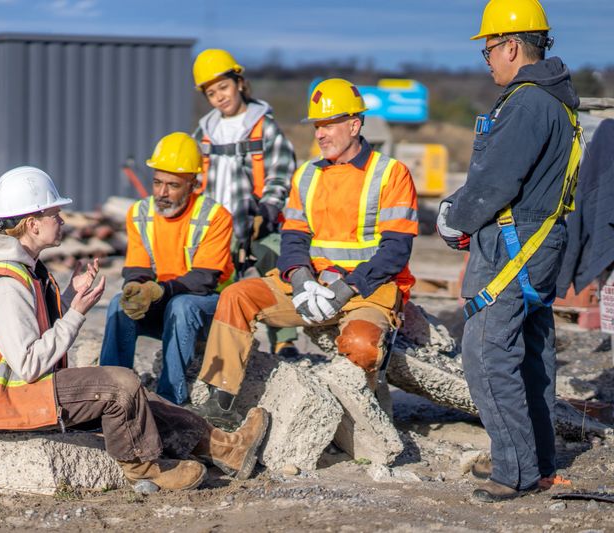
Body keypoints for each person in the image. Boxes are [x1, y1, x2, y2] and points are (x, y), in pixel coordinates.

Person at [0, 165, 268, 491]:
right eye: (55, 214)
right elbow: (30, 364)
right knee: (121, 385)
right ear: (32, 224)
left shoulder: (23, 270)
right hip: (3, 407)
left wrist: (72, 295)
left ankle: (227, 449)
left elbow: (31, 336)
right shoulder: (3, 283)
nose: (62, 220)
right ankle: (142, 468)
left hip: (19, 396)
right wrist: (76, 313)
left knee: (139, 394)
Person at [192, 78, 418, 428]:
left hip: (366, 291)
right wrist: (300, 279)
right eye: (317, 126)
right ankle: (221, 403)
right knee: (237, 297)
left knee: (362, 344)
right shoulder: (307, 175)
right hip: (313, 285)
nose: (320, 134)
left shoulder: (390, 174)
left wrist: (344, 289)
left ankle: (361, 417)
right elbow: (293, 237)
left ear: (354, 125)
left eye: (328, 125)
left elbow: (395, 251)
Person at [436, 0, 581, 503]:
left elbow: (495, 179)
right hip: (537, 243)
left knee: (487, 354)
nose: (488, 59)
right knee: (531, 353)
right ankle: (537, 464)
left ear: (513, 46)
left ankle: (513, 472)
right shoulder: (556, 99)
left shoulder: (525, 102)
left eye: (490, 49)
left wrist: (455, 219)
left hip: (513, 246)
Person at [99, 132, 234, 405]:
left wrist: (158, 290)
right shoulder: (139, 213)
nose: (162, 193)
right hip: (166, 302)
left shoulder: (215, 217)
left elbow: (204, 279)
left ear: (193, 184)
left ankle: (170, 400)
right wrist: (137, 287)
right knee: (118, 304)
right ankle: (110, 394)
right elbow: (137, 266)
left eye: (172, 185)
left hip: (210, 313)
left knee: (182, 305)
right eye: (157, 182)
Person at [192, 48, 300, 358]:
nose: (220, 97)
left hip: (257, 220)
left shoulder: (264, 127)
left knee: (277, 260)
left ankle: (284, 337)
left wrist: (267, 210)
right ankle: (219, 343)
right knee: (216, 277)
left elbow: (281, 174)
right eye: (211, 93)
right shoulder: (204, 132)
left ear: (239, 83)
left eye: (224, 87)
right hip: (217, 225)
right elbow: (195, 178)